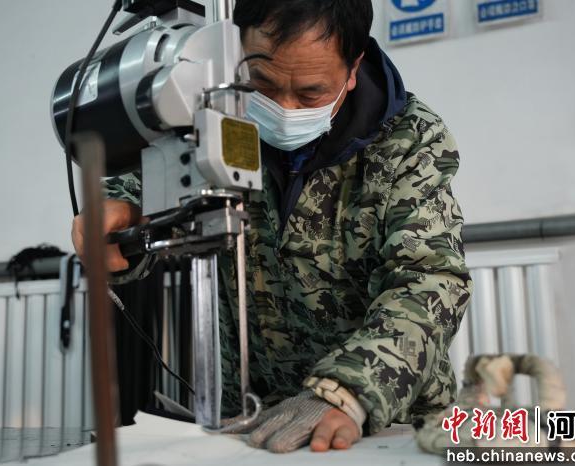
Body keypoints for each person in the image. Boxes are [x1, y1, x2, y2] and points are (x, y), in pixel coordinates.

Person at [72, 0, 473, 454]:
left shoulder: (407, 138)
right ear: (234, 52)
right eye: (262, 83)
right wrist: (119, 217)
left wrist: (347, 391)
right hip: (250, 418)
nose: (283, 108)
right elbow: (140, 192)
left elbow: (430, 279)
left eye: (310, 93)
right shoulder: (215, 114)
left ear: (353, 68)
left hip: (382, 421)